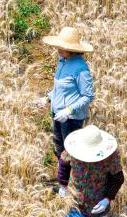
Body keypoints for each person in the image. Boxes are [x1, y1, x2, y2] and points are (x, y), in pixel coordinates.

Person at [58, 125, 124, 217]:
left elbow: (118, 178)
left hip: (97, 205)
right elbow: (63, 163)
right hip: (75, 202)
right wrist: (63, 184)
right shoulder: (73, 150)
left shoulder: (110, 156)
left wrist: (107, 199)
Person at [37, 26, 95, 159]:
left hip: (71, 119)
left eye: (62, 47)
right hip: (58, 115)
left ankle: (70, 179)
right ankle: (63, 178)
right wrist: (47, 98)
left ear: (72, 50)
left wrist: (69, 110)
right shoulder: (63, 61)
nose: (58, 49)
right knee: (59, 149)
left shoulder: (81, 69)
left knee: (70, 155)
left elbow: (88, 96)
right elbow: (60, 88)